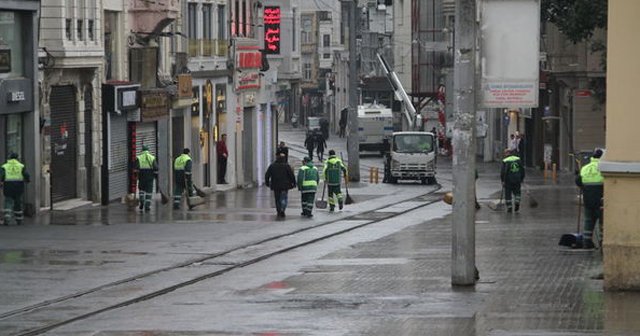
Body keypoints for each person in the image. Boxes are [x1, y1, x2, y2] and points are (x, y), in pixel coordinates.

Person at [575, 148, 604, 249]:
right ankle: (602, 242)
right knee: (602, 222)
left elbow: (578, 181)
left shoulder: (585, 168)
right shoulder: (603, 168)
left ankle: (586, 241)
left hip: (588, 200)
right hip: (600, 200)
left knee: (588, 221)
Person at [1, 153, 30, 225]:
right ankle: (19, 219)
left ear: (10, 158)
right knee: (18, 202)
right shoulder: (21, 166)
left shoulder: (5, 166)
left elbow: (1, 175)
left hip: (8, 186)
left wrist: (1, 181)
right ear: (17, 158)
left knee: (8, 201)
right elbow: (26, 174)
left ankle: (7, 218)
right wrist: (27, 180)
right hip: (18, 186)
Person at [265, 153, 297, 218]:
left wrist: (267, 183)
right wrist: (294, 183)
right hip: (285, 185)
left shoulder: (272, 166)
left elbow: (267, 175)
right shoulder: (286, 166)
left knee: (277, 199)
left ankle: (279, 210)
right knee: (284, 198)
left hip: (275, 185)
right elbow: (291, 175)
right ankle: (283, 209)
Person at [134, 145, 158, 212]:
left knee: (141, 190)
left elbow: (136, 168)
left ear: (142, 150)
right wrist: (156, 176)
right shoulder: (152, 157)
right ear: (148, 150)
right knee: (149, 191)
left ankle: (141, 201)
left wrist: (136, 175)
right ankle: (147, 206)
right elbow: (156, 168)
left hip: (141, 176)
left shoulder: (138, 158)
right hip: (150, 177)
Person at [500, 148, 525, 213]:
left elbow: (503, 172)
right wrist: (522, 178)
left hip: (508, 180)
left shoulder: (505, 161)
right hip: (517, 179)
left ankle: (509, 207)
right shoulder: (518, 159)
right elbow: (522, 170)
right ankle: (517, 203)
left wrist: (502, 180)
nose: (504, 154)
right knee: (517, 192)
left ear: (507, 153)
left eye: (505, 153)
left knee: (508, 194)